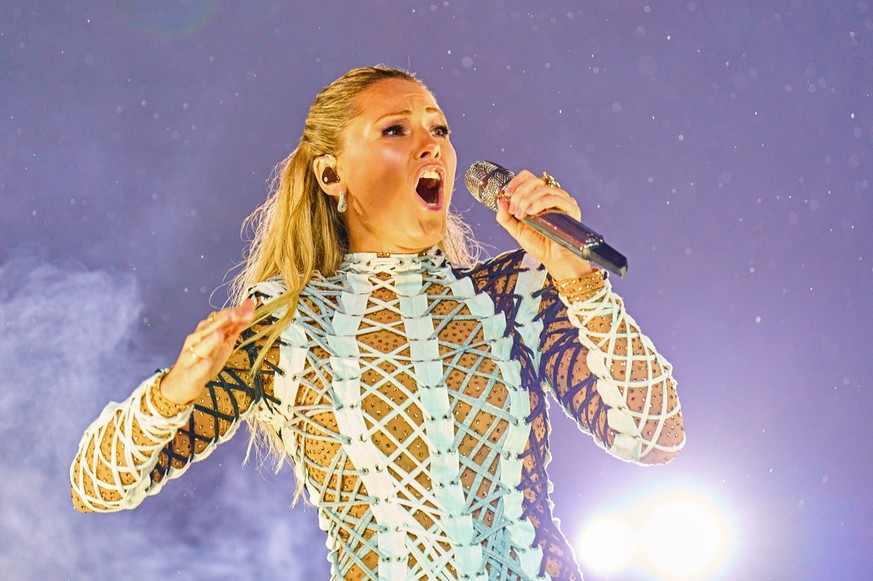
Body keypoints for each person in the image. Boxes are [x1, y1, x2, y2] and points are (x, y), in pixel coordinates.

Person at [70, 65, 684, 580]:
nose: (433, 145)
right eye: (397, 129)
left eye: (439, 129)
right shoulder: (284, 322)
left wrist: (581, 281)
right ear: (330, 173)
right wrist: (171, 395)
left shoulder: (510, 292)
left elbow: (654, 437)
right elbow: (95, 487)